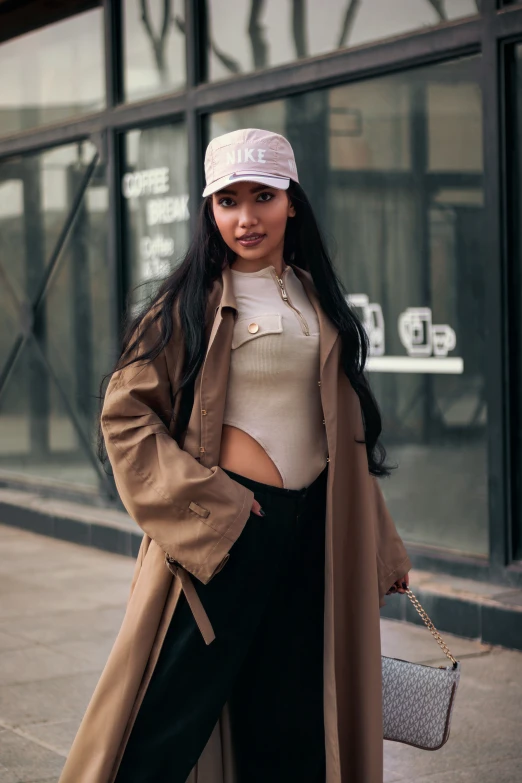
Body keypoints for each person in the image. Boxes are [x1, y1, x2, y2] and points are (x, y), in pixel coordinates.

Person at [58, 128, 412, 783]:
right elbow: (126, 414)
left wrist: (382, 545)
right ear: (209, 210)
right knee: (167, 717)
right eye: (228, 200)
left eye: (262, 196)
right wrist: (212, 502)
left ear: (292, 202)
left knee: (289, 718)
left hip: (310, 533)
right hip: (226, 531)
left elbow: (344, 438)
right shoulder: (188, 303)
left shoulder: (317, 300)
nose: (246, 217)